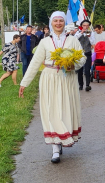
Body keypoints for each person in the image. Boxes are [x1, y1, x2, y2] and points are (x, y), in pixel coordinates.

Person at [19, 11, 86, 164]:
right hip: (49, 78)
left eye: (61, 21)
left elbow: (82, 58)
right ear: (51, 23)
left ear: (64, 23)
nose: (58, 23)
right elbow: (35, 63)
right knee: (52, 110)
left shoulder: (72, 40)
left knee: (65, 109)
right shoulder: (44, 42)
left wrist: (72, 64)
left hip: (67, 78)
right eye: (55, 21)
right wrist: (24, 83)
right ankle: (55, 148)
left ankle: (63, 137)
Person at [75, 20, 93, 92]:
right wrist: (81, 33)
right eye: (84, 25)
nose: (85, 27)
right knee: (80, 70)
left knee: (87, 69)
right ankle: (80, 84)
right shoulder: (78, 32)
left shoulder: (91, 33)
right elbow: (74, 39)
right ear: (81, 26)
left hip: (87, 52)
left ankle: (87, 85)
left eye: (87, 25)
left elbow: (93, 43)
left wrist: (89, 36)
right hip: (79, 53)